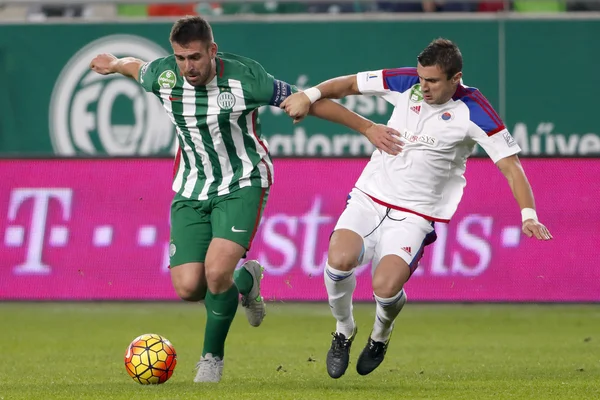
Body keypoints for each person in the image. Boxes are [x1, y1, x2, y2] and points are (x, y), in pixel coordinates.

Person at [89, 16, 401, 383]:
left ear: (212, 51)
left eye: (194, 57)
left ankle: (210, 359)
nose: (188, 66)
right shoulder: (164, 76)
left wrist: (366, 127)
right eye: (180, 58)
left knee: (216, 273)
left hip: (243, 181)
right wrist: (112, 64)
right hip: (190, 188)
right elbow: (135, 67)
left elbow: (306, 102)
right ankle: (247, 282)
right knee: (190, 286)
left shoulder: (244, 78)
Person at [281, 38, 553, 379]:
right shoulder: (406, 81)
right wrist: (310, 95)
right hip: (370, 195)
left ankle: (380, 335)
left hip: (417, 213)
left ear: (456, 78)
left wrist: (529, 215)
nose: (423, 86)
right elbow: (349, 84)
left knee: (385, 285)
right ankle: (343, 330)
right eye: (422, 78)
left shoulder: (475, 110)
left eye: (433, 81)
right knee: (339, 259)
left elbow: (511, 167)